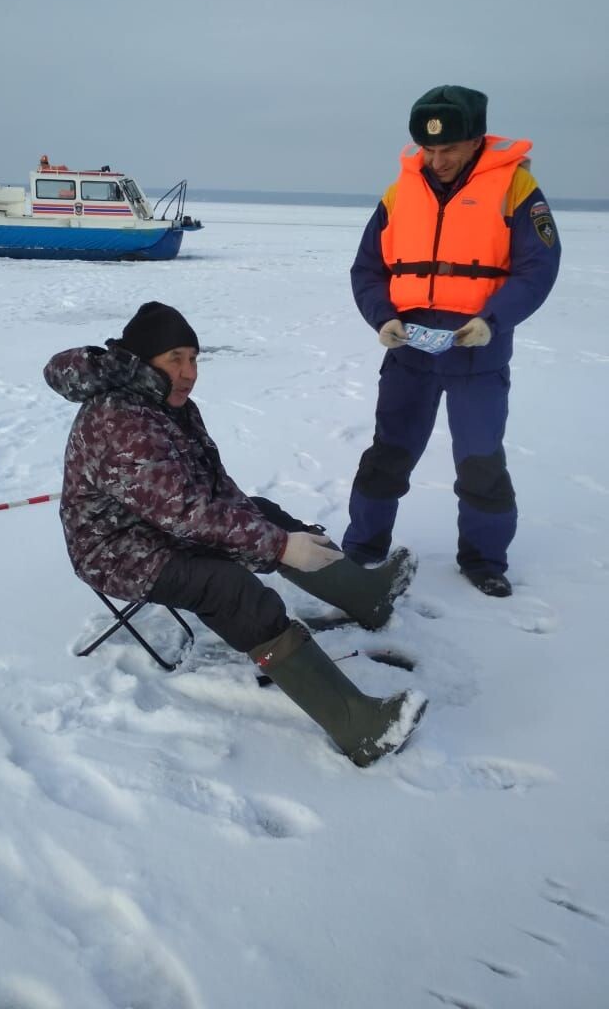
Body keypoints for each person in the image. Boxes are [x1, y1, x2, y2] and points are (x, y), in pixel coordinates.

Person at [44, 301, 427, 767]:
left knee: (261, 514)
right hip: (117, 551)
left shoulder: (169, 404)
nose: (189, 373)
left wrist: (267, 530)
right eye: (175, 359)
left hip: (159, 527)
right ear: (142, 361)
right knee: (229, 589)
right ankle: (358, 726)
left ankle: (367, 596)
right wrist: (279, 548)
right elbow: (185, 512)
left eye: (193, 358)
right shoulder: (120, 421)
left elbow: (211, 488)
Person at [343, 85, 561, 597]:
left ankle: (484, 560)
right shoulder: (399, 192)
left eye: (449, 149)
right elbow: (367, 269)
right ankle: (362, 549)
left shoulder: (516, 188)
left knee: (481, 461)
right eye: (429, 149)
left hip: (477, 352)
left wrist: (492, 321)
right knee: (387, 453)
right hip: (409, 350)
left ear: (476, 141)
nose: (437, 161)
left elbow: (538, 268)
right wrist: (382, 317)